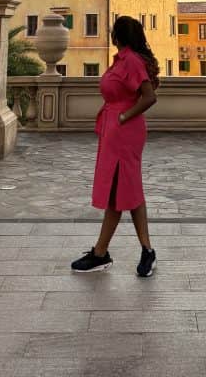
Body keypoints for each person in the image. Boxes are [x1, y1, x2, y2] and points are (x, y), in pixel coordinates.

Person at [71, 15, 159, 277]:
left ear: (117, 36)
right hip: (115, 130)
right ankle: (136, 251)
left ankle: (105, 253)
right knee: (124, 191)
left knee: (121, 192)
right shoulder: (122, 60)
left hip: (124, 131)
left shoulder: (130, 61)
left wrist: (122, 117)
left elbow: (149, 96)